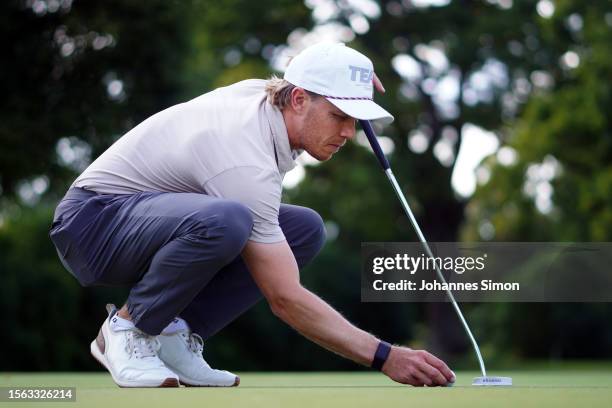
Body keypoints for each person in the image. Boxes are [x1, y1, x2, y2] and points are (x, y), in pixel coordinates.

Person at [49, 42, 455, 388]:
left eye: (355, 120)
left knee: (303, 229)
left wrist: (355, 75)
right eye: (340, 116)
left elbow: (295, 74)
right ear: (298, 100)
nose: (349, 132)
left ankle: (176, 335)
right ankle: (127, 330)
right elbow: (285, 299)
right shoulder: (244, 161)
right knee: (228, 220)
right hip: (91, 227)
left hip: (137, 221)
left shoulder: (268, 102)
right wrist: (385, 356)